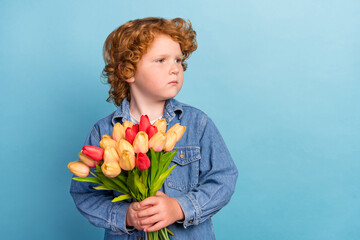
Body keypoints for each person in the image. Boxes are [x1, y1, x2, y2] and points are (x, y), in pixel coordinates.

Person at [70, 17, 238, 240]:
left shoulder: (197, 124)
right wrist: (126, 216)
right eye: (161, 60)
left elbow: (224, 179)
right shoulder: (104, 132)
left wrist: (179, 208)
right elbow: (84, 194)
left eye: (178, 60)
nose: (175, 69)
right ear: (127, 72)